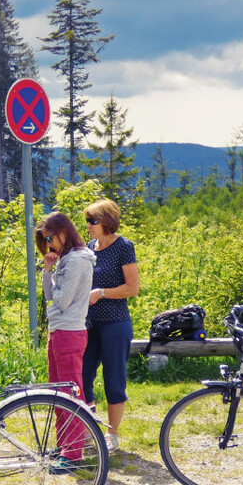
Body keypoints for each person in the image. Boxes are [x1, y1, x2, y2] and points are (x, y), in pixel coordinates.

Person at [36, 212, 96, 469]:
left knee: (71, 393)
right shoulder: (65, 260)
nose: (49, 245)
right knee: (58, 392)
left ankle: (73, 454)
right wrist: (48, 269)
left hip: (70, 332)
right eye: (46, 241)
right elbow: (49, 295)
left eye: (50, 238)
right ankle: (65, 445)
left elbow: (61, 300)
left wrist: (55, 276)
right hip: (59, 330)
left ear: (63, 232)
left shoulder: (76, 261)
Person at [82, 199, 140, 453]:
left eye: (92, 221)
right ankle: (88, 428)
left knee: (113, 379)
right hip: (87, 324)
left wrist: (101, 293)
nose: (88, 226)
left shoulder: (124, 246)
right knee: (83, 376)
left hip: (115, 323)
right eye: (87, 221)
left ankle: (112, 434)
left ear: (107, 221)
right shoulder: (87, 248)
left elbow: (133, 288)